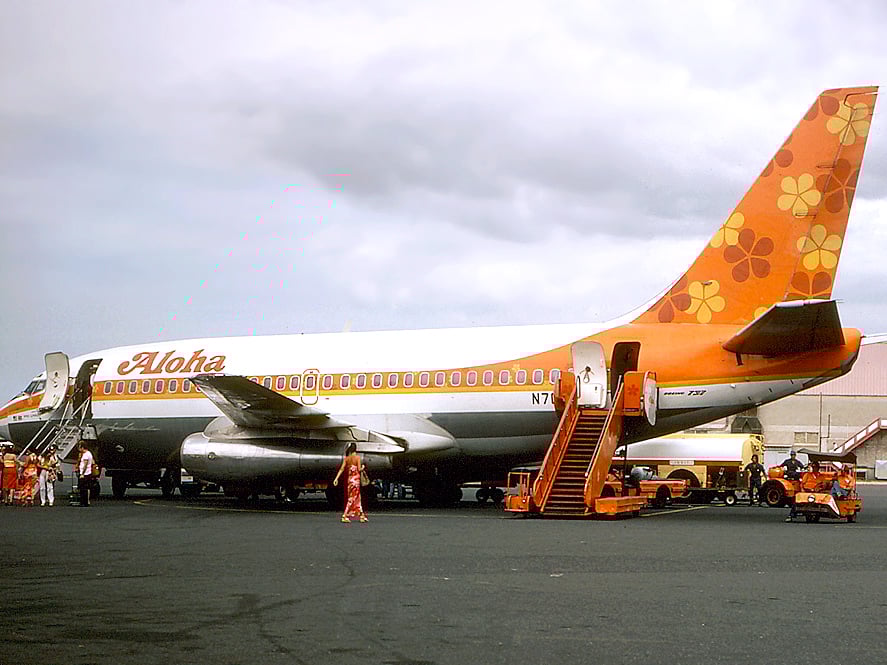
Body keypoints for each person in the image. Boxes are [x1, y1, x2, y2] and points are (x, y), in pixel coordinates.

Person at [332, 442, 368, 523]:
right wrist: (363, 467)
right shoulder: (357, 458)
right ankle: (345, 515)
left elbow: (342, 469)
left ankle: (362, 515)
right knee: (353, 498)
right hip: (356, 480)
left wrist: (336, 478)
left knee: (357, 498)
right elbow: (359, 469)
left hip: (350, 480)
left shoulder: (347, 459)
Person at [77, 442, 95, 507]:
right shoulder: (89, 453)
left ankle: (83, 502)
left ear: (82, 447)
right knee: (86, 488)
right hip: (88, 473)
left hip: (85, 473)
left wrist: (82, 473)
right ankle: (86, 501)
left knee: (83, 488)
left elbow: (85, 465)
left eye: (79, 447)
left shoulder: (85, 455)